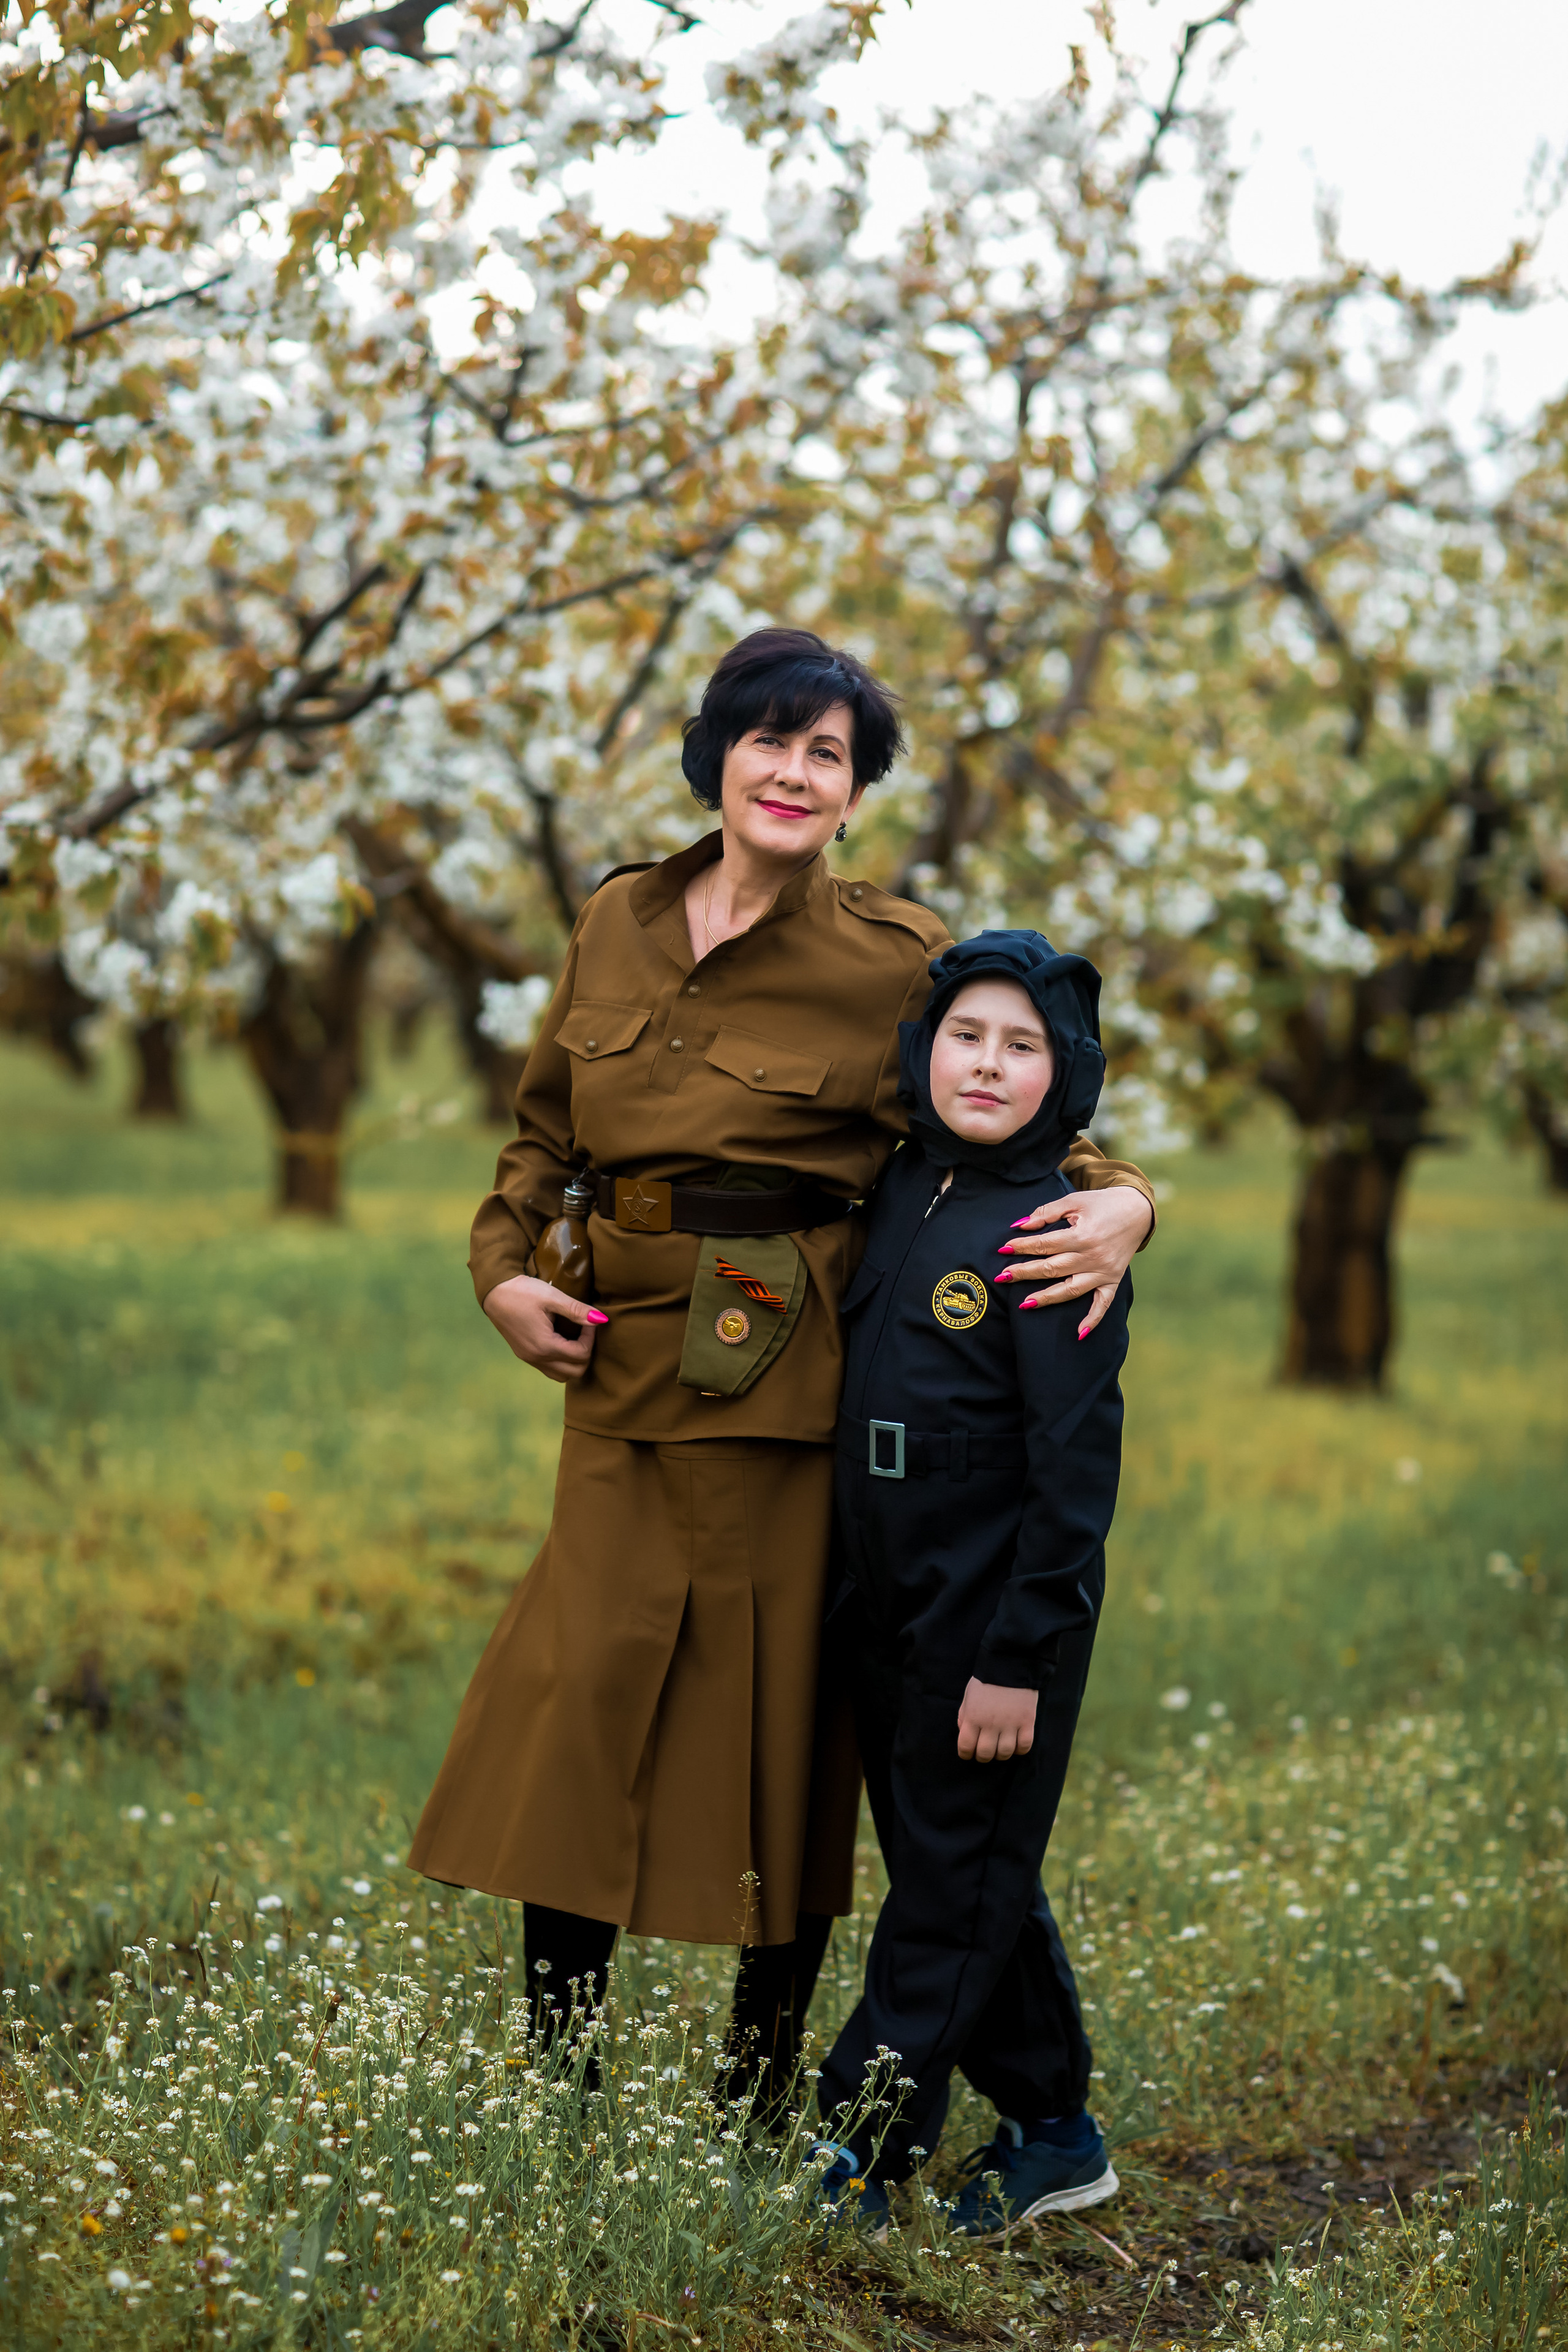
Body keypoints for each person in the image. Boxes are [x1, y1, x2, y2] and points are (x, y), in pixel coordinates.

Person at [407, 630, 1155, 2092]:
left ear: (854, 791)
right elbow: (543, 1136)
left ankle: (753, 2086)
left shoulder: (892, 954)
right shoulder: (615, 916)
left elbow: (1017, 1080)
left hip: (787, 1387)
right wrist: (499, 1273)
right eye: (772, 740)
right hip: (615, 1381)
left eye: (829, 754)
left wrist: (1124, 1197)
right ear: (718, 753)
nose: (795, 772)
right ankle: (562, 2080)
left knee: (778, 1732)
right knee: (581, 1710)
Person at [814, 929, 1131, 2234]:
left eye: (1022, 1047)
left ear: (1065, 1075)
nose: (987, 1065)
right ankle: (1055, 2131)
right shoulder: (900, 1184)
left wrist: (1015, 1656)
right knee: (970, 1867)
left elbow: (1070, 1474)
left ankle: (859, 2151)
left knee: (948, 1892)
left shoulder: (1057, 1229)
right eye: (964, 1036)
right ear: (920, 1051)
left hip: (994, 1626)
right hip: (885, 1603)